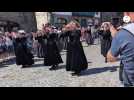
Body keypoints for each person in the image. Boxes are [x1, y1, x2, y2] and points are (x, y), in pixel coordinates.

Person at [107, 12, 134, 87]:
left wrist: (115, 37)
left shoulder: (123, 33)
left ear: (127, 14)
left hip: (130, 81)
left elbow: (110, 58)